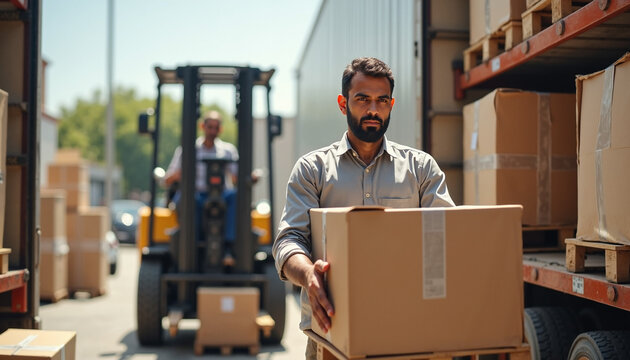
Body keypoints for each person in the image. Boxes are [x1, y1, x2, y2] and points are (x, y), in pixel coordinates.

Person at [272, 57, 455, 359]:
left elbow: (448, 237)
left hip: (407, 330)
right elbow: (289, 240)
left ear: (392, 104)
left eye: (382, 100)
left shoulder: (420, 169)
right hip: (331, 333)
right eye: (363, 99)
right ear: (343, 104)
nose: (373, 110)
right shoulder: (312, 169)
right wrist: (309, 275)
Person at [165, 110, 239, 266]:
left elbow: (235, 177)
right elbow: (168, 178)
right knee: (186, 199)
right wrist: (181, 172)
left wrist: (249, 176)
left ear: (220, 129)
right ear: (202, 126)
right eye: (209, 127)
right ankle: (193, 246)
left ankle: (228, 247)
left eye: (215, 127)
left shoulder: (228, 151)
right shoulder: (187, 150)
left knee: (236, 195)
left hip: (221, 195)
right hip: (196, 194)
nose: (212, 131)